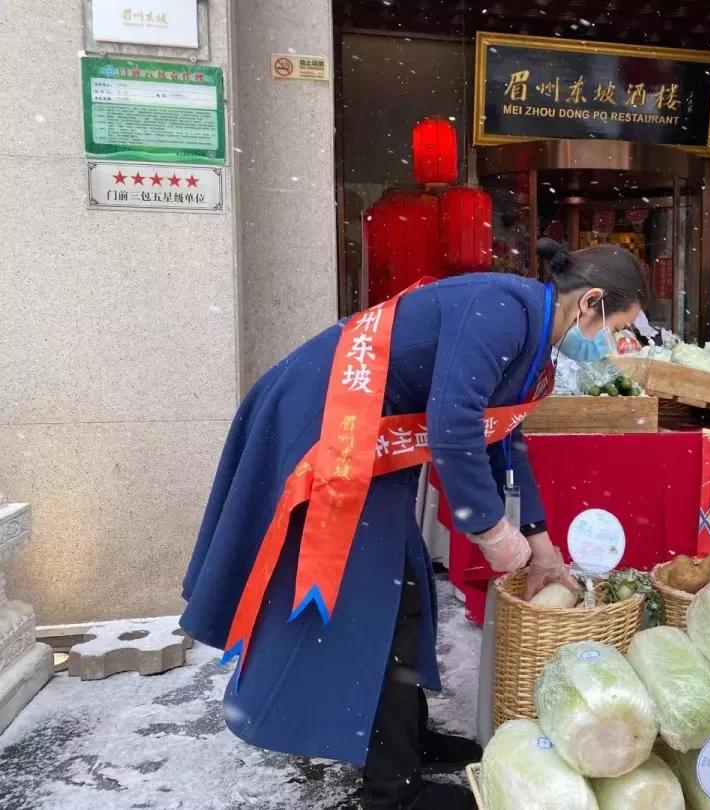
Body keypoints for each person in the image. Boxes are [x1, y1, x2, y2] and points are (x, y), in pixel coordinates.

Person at [179, 238, 645, 809]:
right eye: (611, 328)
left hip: (371, 439)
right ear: (590, 302)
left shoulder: (529, 327)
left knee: (404, 585)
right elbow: (453, 427)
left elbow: (504, 440)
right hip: (328, 427)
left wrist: (540, 542)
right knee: (378, 602)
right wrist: (493, 533)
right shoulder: (504, 310)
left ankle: (406, 739)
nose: (603, 344)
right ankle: (391, 788)